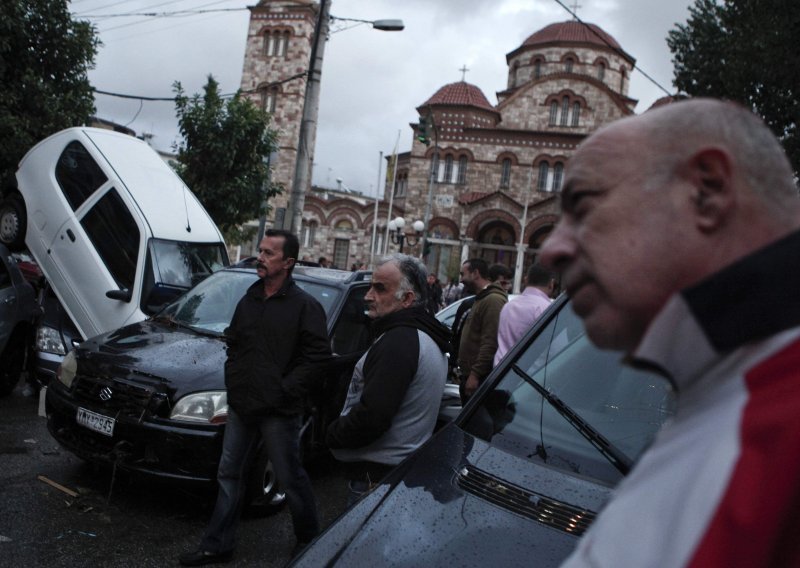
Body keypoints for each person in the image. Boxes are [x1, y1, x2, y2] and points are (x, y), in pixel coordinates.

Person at [539, 98, 800, 567]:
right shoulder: (720, 389)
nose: (550, 251)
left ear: (708, 191)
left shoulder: (778, 428)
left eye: (582, 205)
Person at [180, 229, 331, 566]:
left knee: (290, 477)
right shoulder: (249, 298)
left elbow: (317, 358)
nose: (260, 258)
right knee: (229, 474)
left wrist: (284, 390)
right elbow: (234, 343)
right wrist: (235, 382)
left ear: (288, 262)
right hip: (242, 405)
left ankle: (310, 542)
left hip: (279, 411)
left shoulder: (305, 306)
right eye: (260, 251)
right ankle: (217, 545)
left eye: (269, 253)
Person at [326, 254, 450, 503]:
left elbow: (373, 418)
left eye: (380, 288)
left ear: (407, 299)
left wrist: (331, 434)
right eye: (371, 286)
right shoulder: (414, 335)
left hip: (376, 480)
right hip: (391, 475)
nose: (368, 296)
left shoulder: (400, 342)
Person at [456, 258, 507, 402]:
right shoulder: (482, 299)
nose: (461, 280)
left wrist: (475, 375)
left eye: (463, 274)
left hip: (479, 380)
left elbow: (490, 342)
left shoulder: (493, 301)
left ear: (475, 273)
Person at [493, 263, 555, 365]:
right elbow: (555, 350)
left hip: (501, 371)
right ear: (551, 284)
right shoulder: (546, 309)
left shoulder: (508, 306)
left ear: (525, 280)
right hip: (530, 374)